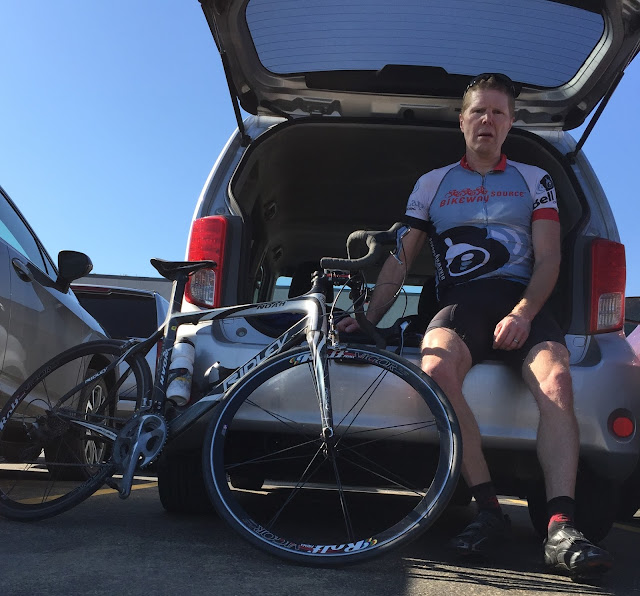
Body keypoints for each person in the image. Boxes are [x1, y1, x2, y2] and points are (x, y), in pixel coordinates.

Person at [337, 73, 613, 576]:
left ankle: (560, 527)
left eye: (498, 112)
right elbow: (402, 259)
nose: (488, 120)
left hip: (521, 301)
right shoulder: (432, 183)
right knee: (435, 368)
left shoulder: (535, 179)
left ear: (510, 122)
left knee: (557, 379)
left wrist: (522, 314)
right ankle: (487, 510)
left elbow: (549, 259)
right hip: (462, 303)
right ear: (462, 121)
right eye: (478, 111)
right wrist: (370, 318)